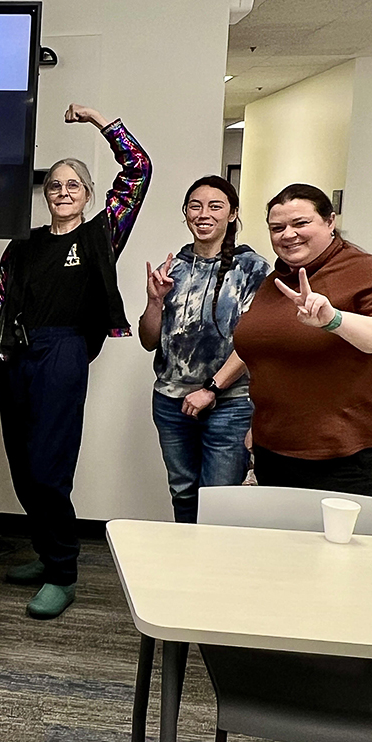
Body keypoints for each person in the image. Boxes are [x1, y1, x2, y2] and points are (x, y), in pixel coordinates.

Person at [0, 104, 151, 619]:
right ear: (45, 196)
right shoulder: (22, 248)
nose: (62, 193)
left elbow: (138, 171)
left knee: (49, 468)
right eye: (55, 187)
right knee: (23, 467)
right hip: (17, 354)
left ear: (89, 196)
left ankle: (64, 573)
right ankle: (47, 556)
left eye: (73, 186)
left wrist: (98, 119)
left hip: (64, 352)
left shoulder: (100, 236)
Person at [220, 184, 372, 496]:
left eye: (301, 223)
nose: (288, 234)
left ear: (330, 221)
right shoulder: (277, 281)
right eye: (277, 228)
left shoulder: (365, 270)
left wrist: (334, 320)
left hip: (348, 456)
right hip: (274, 449)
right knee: (279, 544)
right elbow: (271, 357)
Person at [138, 176, 270, 522]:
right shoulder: (174, 268)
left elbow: (251, 341)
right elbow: (149, 339)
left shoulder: (253, 269)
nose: (204, 213)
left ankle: (215, 573)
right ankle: (186, 566)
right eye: (195, 206)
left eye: (215, 206)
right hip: (170, 401)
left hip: (229, 403)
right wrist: (155, 301)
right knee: (182, 491)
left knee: (219, 499)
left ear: (233, 214)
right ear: (185, 213)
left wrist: (211, 389)